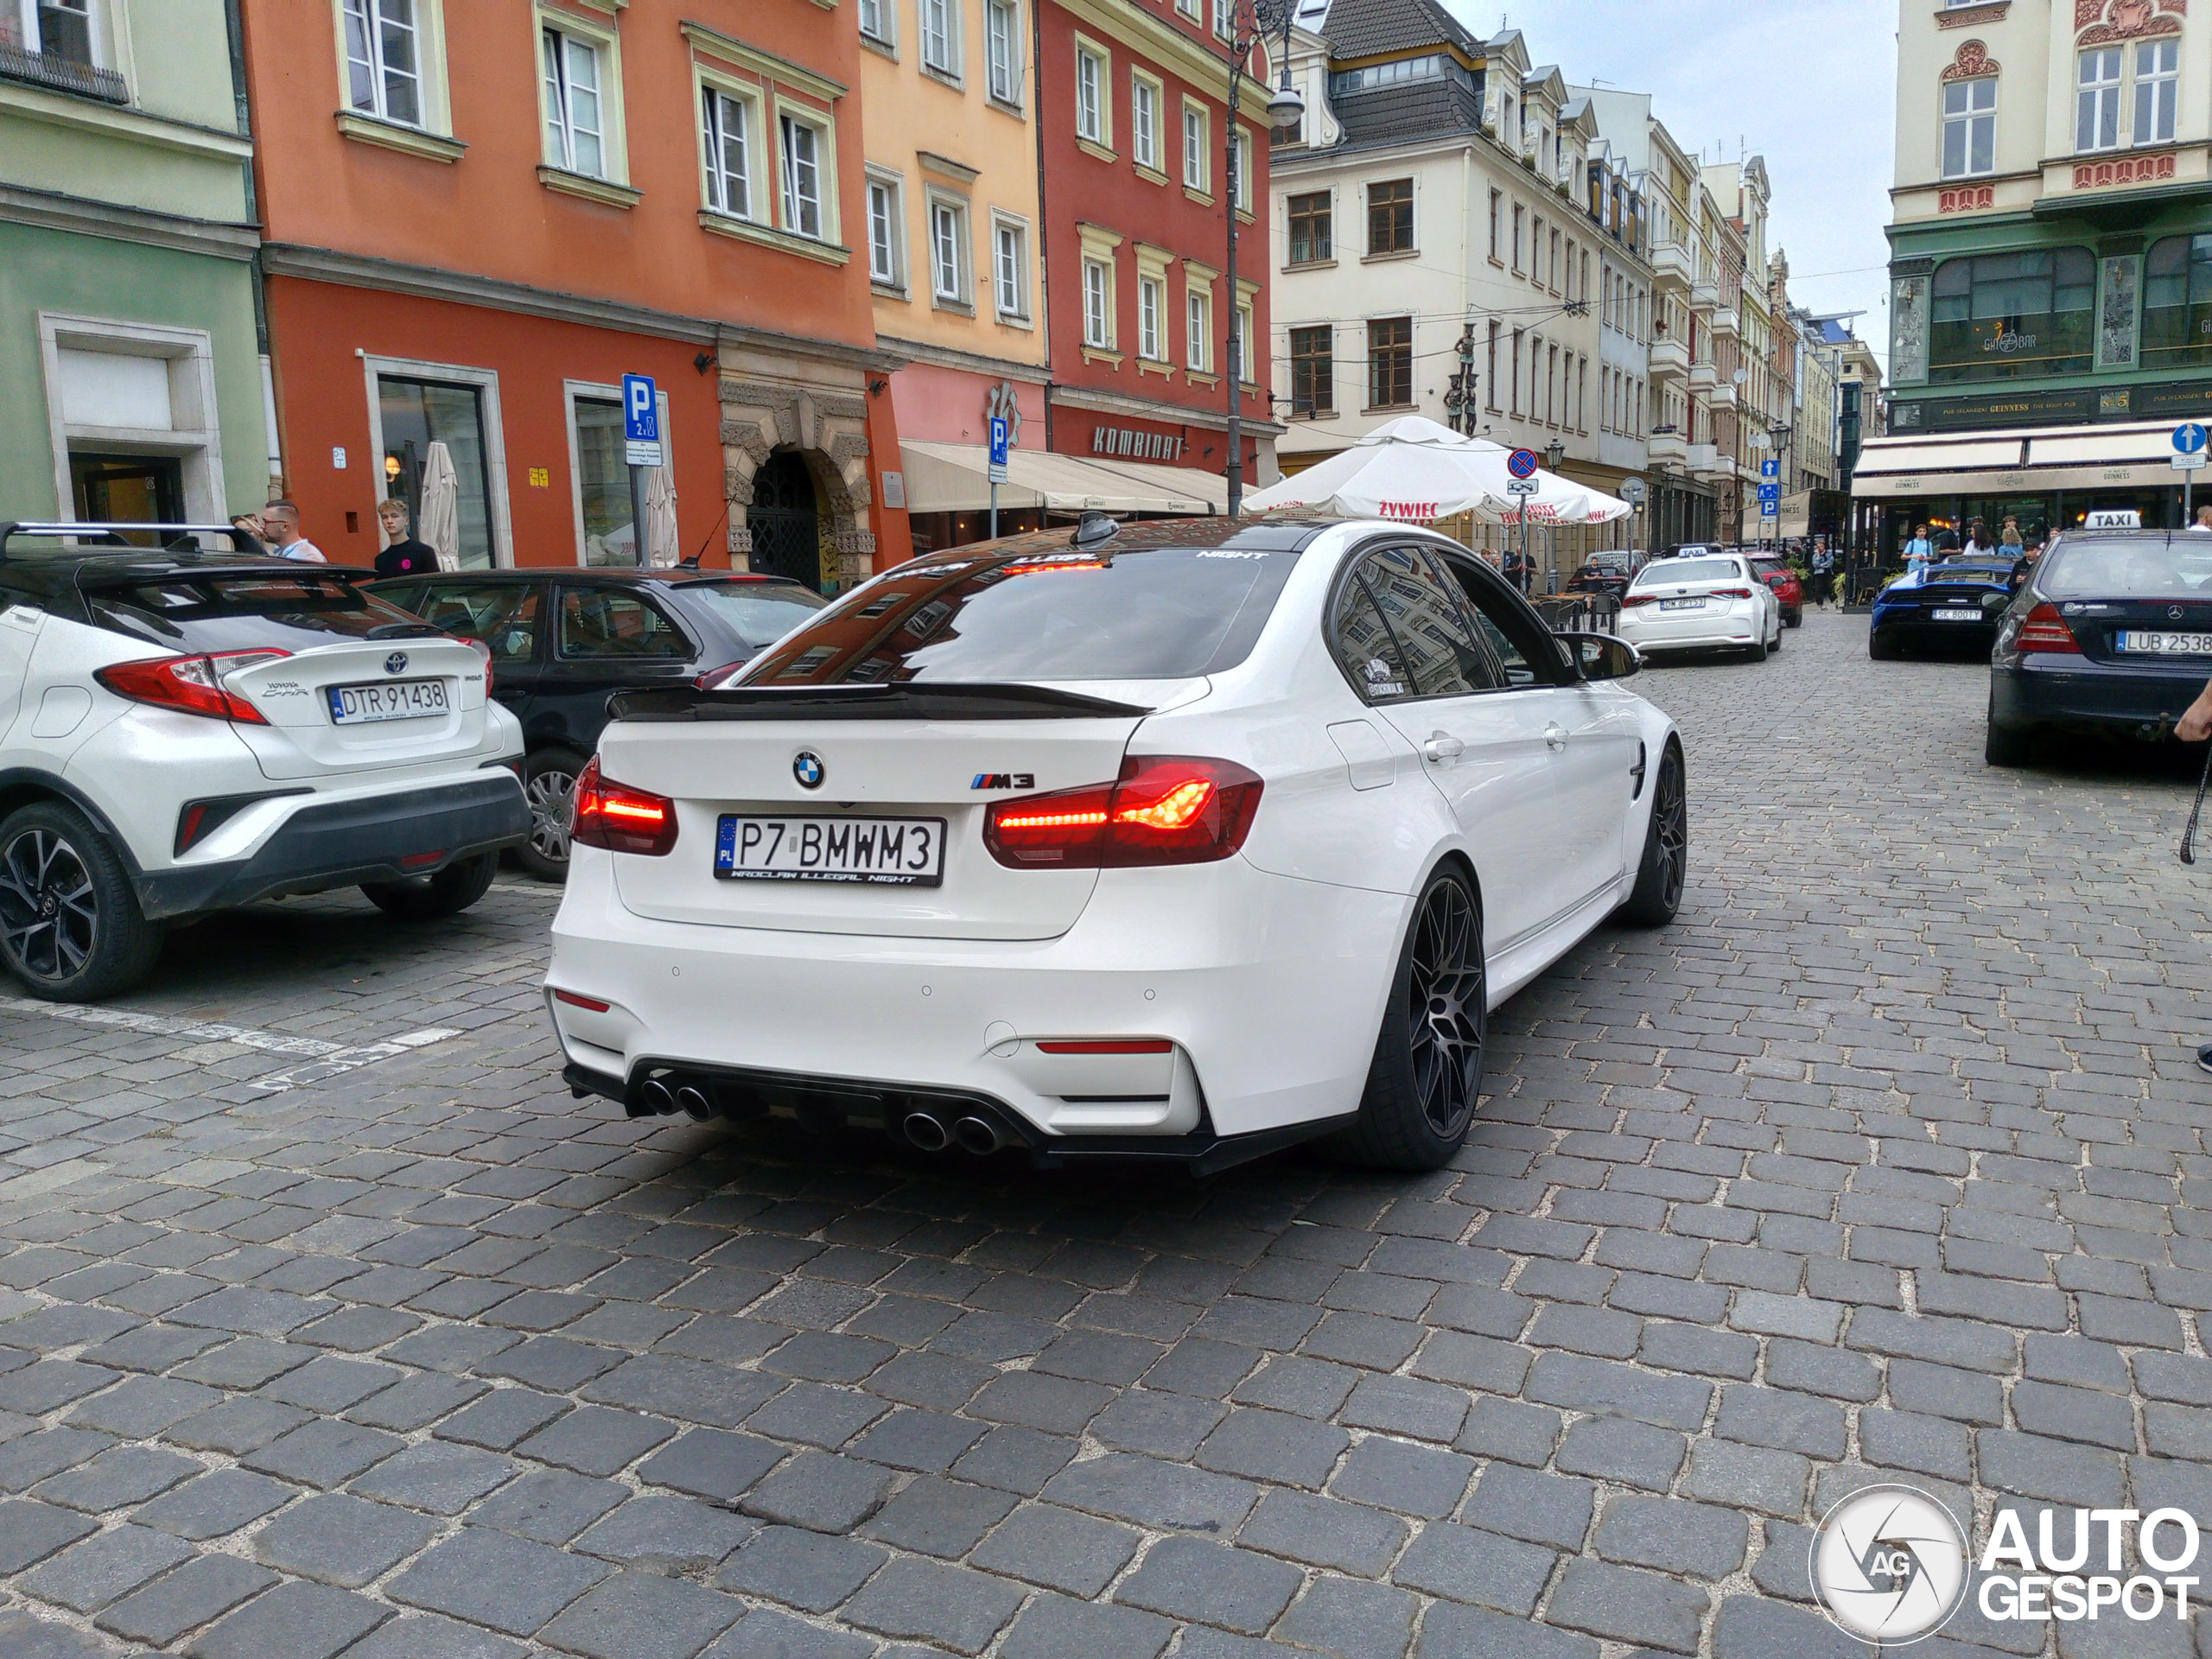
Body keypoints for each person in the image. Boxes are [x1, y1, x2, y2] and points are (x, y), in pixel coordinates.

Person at [372, 498, 440, 578]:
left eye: (395, 516)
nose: (389, 521)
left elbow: (436, 585)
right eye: (385, 517)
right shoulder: (381, 560)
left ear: (406, 521)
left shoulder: (424, 552)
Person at [261, 499, 326, 563]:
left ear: (284, 527)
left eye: (266, 522)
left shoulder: (308, 558)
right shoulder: (279, 551)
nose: (262, 526)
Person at [1811, 540, 1836, 607]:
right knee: (1818, 588)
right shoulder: (1815, 555)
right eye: (1819, 547)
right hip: (1818, 573)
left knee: (1830, 587)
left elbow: (1830, 563)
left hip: (1827, 572)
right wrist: (1818, 556)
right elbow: (1815, 564)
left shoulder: (1829, 554)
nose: (1820, 548)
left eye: (1822, 546)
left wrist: (1821, 565)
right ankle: (1819, 603)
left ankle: (1834, 600)